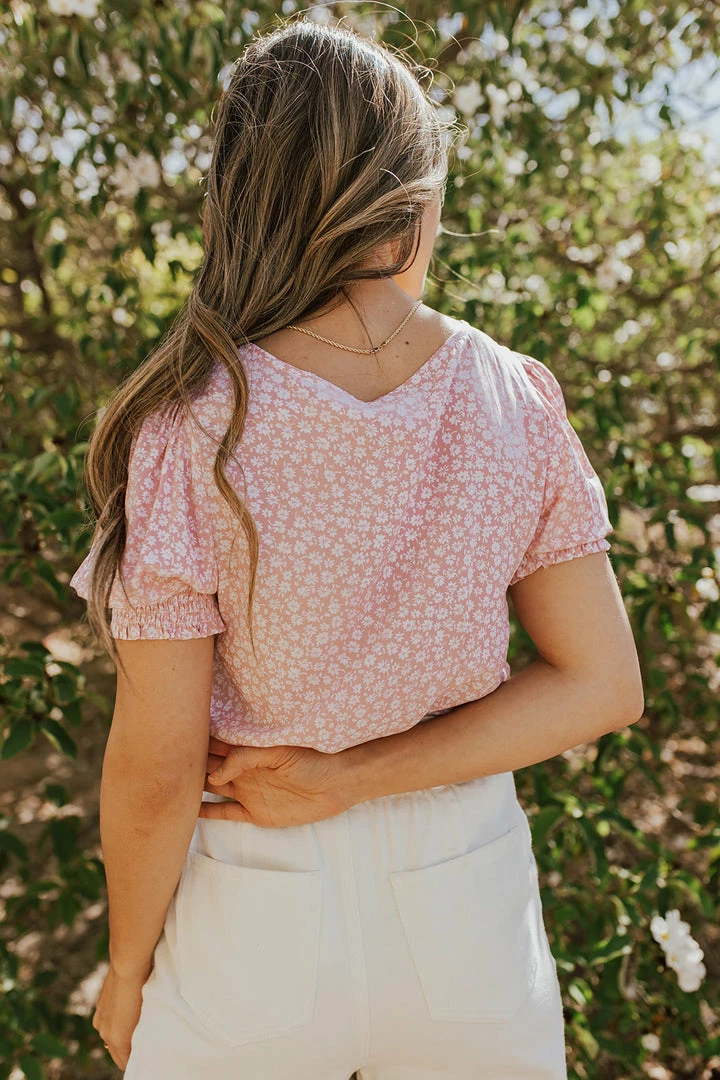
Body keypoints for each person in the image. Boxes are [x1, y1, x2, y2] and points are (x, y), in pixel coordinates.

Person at [69, 16, 644, 1080]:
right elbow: (602, 683)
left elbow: (154, 769)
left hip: (256, 905)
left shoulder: (193, 420)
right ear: (419, 199)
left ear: (245, 196)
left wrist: (128, 968)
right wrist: (362, 777)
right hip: (466, 905)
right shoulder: (512, 397)